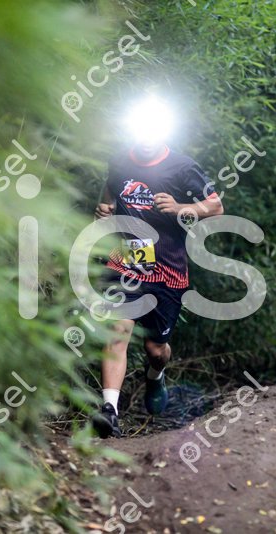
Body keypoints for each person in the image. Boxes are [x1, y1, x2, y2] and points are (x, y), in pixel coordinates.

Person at [91, 99, 223, 438]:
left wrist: (180, 207)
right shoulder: (120, 161)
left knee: (155, 349)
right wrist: (105, 207)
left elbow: (216, 206)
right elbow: (109, 190)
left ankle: (156, 375)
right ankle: (110, 411)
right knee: (117, 330)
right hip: (127, 261)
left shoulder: (183, 167)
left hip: (168, 267)